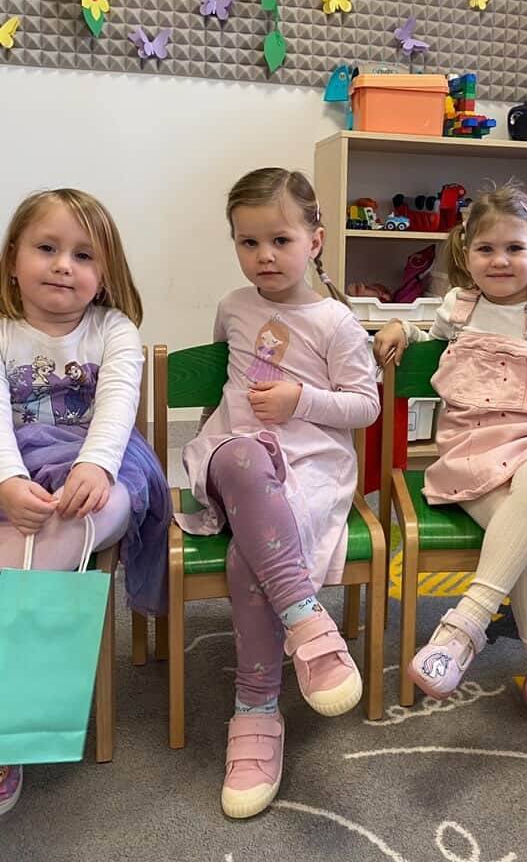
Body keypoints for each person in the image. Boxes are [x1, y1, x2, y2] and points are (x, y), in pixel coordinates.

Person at [374, 182, 527, 766]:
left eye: (514, 248)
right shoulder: (457, 307)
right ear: (465, 250)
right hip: (470, 453)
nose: (499, 261)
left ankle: (464, 625)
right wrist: (402, 328)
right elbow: (425, 332)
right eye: (486, 249)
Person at [181, 168, 379, 819]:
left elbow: (365, 406)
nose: (264, 255)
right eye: (249, 242)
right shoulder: (234, 306)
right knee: (241, 457)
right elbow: (222, 381)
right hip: (233, 456)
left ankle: (257, 708)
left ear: (315, 241)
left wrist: (301, 400)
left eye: (280, 240)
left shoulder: (336, 321)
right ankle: (307, 621)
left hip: (308, 466)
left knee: (253, 551)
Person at [0, 188, 170, 816]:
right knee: (18, 540)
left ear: (105, 272)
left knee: (71, 525)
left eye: (82, 255)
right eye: (46, 248)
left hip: (102, 463)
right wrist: (7, 482)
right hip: (16, 462)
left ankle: (8, 723)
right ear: (12, 259)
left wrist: (94, 466)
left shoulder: (113, 329)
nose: (62, 265)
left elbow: (118, 405)